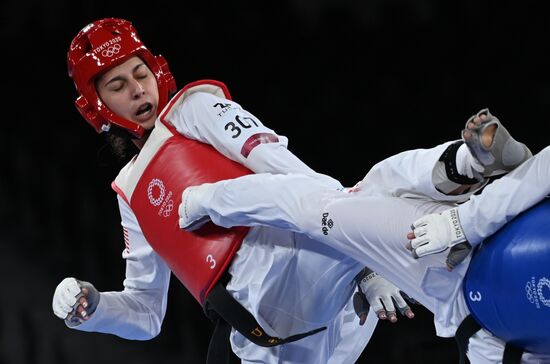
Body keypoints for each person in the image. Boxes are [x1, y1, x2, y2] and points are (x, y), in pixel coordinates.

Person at [51, 17, 421, 364]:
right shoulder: (130, 192)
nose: (137, 90)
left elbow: (289, 170)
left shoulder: (195, 110)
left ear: (157, 71)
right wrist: (95, 306)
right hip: (265, 327)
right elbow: (146, 313)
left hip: (318, 263)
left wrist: (366, 263)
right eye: (117, 86)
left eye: (140, 74)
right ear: (96, 107)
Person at [176, 112, 547, 363]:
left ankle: (464, 164)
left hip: (469, 310)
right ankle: (465, 165)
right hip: (469, 248)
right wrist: (462, 224)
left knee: (369, 192)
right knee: (321, 208)